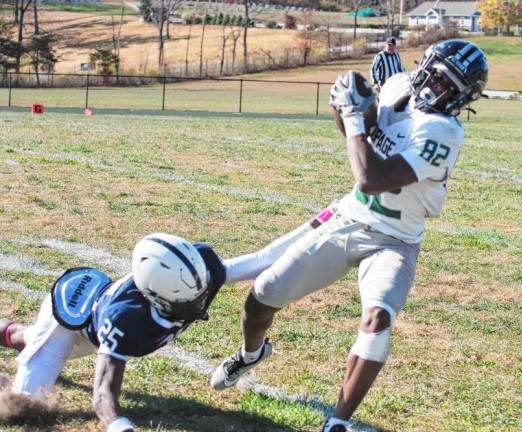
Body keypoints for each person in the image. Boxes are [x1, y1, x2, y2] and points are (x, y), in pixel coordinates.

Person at [210, 40, 489, 432]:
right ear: (424, 67)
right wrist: (343, 107)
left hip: (395, 240)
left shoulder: (443, 130)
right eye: (439, 77)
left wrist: (356, 118)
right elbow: (356, 132)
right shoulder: (397, 89)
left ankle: (338, 422)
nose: (440, 90)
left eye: (452, 87)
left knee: (378, 318)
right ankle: (251, 354)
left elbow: (371, 178)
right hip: (348, 218)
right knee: (261, 298)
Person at [0, 210, 335, 432]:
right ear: (156, 298)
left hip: (97, 320)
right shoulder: (125, 318)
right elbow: (103, 395)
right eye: (190, 301)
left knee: (26, 338)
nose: (203, 302)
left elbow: (263, 259)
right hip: (73, 325)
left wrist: (322, 220)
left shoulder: (201, 270)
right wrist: (121, 426)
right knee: (27, 406)